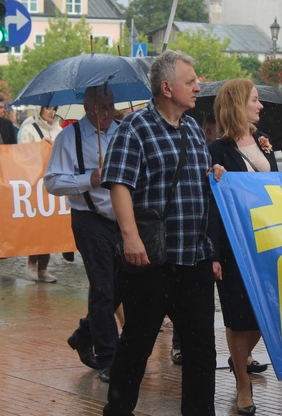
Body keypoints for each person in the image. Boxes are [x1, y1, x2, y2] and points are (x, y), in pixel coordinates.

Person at [101, 50, 224, 416]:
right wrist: (130, 237)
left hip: (194, 256)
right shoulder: (135, 128)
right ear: (167, 87)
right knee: (136, 345)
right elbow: (119, 184)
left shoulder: (192, 129)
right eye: (191, 81)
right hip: (153, 258)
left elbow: (195, 182)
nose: (198, 87)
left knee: (202, 349)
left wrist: (212, 172)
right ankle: (118, 411)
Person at [209, 78, 277, 416]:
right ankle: (242, 385)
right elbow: (214, 207)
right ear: (238, 104)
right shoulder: (218, 150)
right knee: (238, 316)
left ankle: (239, 362)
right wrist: (215, 253)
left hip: (267, 242)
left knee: (268, 314)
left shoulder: (265, 143)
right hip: (235, 246)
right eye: (254, 99)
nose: (260, 105)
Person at [44, 86, 121, 382]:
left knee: (121, 286)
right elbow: (52, 183)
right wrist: (88, 179)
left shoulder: (122, 132)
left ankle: (83, 334)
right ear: (87, 108)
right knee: (103, 287)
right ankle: (109, 358)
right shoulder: (69, 137)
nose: (106, 114)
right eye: (100, 108)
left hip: (121, 218)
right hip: (89, 218)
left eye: (110, 106)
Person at [19, 105, 63, 280]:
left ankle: (43, 267)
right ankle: (31, 263)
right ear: (40, 110)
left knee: (50, 226)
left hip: (53, 182)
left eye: (53, 109)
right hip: (33, 183)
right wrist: (40, 148)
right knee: (35, 225)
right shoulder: (29, 129)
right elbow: (22, 154)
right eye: (47, 109)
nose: (50, 112)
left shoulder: (60, 130)